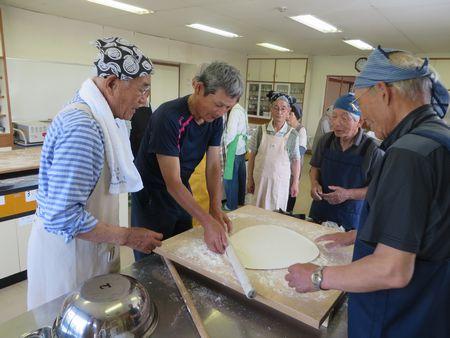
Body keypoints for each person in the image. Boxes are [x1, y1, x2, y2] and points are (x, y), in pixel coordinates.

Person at [285, 46, 450, 338]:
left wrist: (318, 276)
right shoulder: (439, 138)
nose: (364, 115)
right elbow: (425, 225)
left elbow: (392, 270)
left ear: (383, 92)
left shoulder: (408, 154)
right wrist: (359, 235)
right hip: (431, 307)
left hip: (398, 317)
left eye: (361, 102)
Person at [27, 37, 163, 310]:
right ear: (112, 82)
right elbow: (63, 215)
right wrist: (128, 236)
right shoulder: (83, 127)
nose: (144, 101)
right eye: (141, 90)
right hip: (70, 258)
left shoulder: (102, 118)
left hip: (88, 251)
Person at [132, 62, 243, 258]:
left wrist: (215, 209)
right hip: (153, 199)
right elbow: (172, 182)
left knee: (182, 253)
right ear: (198, 87)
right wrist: (208, 221)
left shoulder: (215, 119)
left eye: (227, 108)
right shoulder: (169, 117)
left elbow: (214, 166)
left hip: (182, 193)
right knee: (154, 261)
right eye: (218, 104)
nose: (221, 112)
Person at [308, 93, 384, 231]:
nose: (336, 123)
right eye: (334, 116)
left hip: (351, 219)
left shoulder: (373, 150)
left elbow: (378, 189)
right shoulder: (325, 141)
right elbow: (315, 168)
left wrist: (348, 194)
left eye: (344, 118)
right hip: (320, 211)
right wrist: (314, 184)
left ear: (359, 121)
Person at [247, 91, 301, 212]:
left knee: (276, 213)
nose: (279, 112)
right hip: (260, 181)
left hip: (279, 184)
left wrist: (295, 182)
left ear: (288, 111)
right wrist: (249, 178)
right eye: (276, 108)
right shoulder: (260, 131)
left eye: (283, 108)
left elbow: (295, 161)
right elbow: (252, 156)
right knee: (257, 212)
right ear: (271, 109)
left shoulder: (292, 135)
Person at [223, 102, 249, 211]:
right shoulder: (242, 109)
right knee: (240, 176)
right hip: (242, 146)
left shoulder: (234, 112)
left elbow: (231, 133)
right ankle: (240, 201)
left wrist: (224, 143)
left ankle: (231, 204)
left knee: (230, 178)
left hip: (233, 146)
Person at [286, 102, 308, 213]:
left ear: (297, 117)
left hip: (294, 166)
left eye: (291, 114)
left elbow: (302, 149)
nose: (288, 116)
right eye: (288, 113)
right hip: (285, 166)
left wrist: (289, 155)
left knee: (292, 189)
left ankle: (289, 211)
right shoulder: (287, 128)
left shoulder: (301, 130)